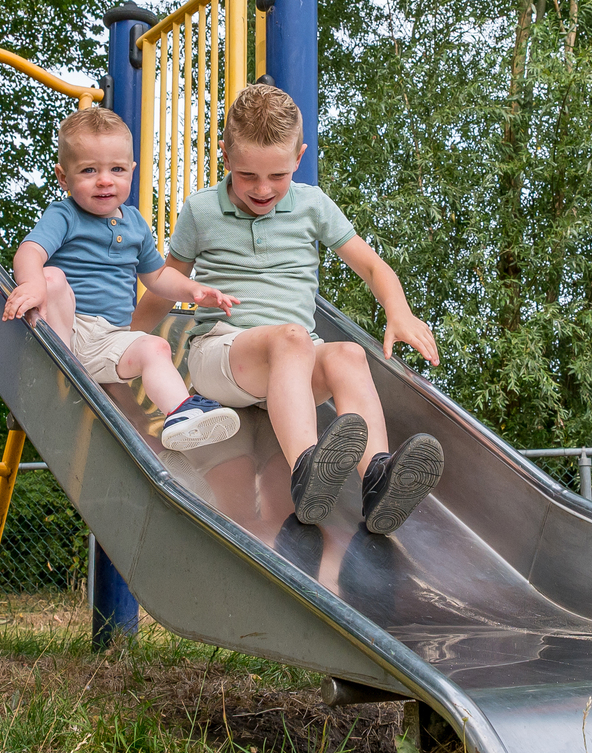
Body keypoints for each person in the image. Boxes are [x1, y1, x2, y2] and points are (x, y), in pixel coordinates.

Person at [133, 83, 444, 535]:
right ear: (225, 156)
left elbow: (372, 267)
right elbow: (165, 284)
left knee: (348, 355)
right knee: (292, 338)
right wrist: (129, 339)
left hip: (292, 367)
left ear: (298, 158)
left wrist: (399, 312)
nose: (263, 190)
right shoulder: (201, 210)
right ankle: (308, 470)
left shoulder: (313, 205)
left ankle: (377, 477)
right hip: (223, 354)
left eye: (277, 176)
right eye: (248, 176)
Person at [3, 106, 246, 452]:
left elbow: (159, 276)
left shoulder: (133, 223)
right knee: (52, 277)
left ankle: (180, 414)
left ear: (131, 172)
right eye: (89, 170)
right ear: (63, 176)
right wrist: (32, 284)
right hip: (67, 328)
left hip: (109, 341)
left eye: (117, 169)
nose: (105, 180)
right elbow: (30, 252)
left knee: (155, 346)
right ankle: (58, 365)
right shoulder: (64, 215)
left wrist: (194, 290)